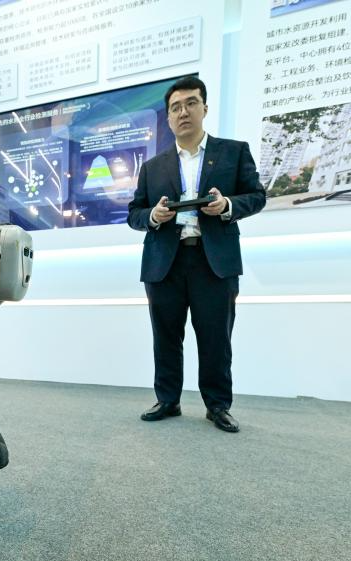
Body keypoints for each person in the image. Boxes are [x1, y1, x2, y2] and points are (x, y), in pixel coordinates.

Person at [127, 76, 265, 433]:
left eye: (190, 103)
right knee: (166, 337)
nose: (183, 112)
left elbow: (257, 196)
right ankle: (168, 400)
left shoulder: (233, 152)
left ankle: (217, 405)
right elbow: (134, 213)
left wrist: (227, 205)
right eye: (175, 107)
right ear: (168, 118)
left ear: (204, 107)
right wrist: (153, 216)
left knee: (216, 338)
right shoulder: (153, 166)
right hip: (165, 263)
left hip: (213, 260)